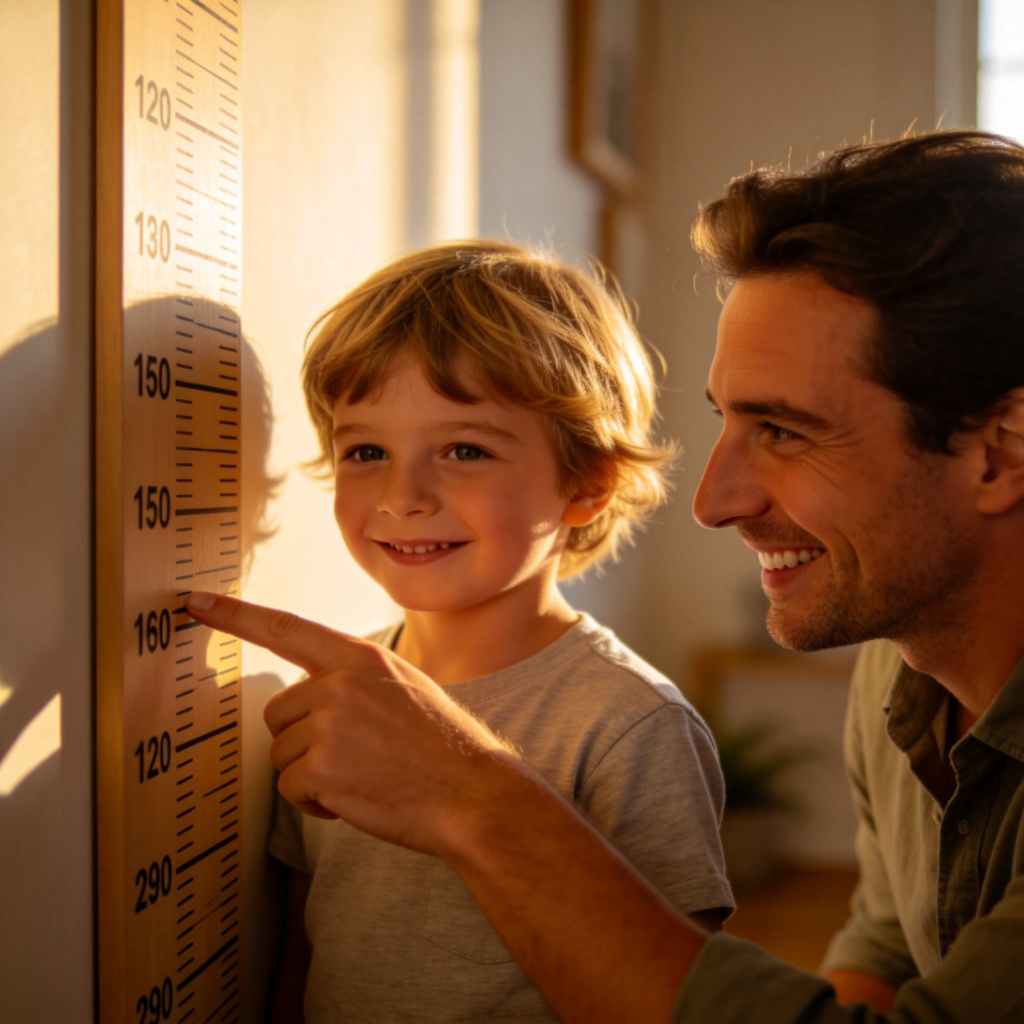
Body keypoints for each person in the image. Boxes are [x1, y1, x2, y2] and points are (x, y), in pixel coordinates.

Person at [187, 129, 1024, 1022]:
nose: (711, 502)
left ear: (1000, 453)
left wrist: (472, 797)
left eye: (784, 429)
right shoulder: (898, 677)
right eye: (364, 451)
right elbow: (892, 941)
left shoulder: (628, 724)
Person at [254, 240, 733, 1021]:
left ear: (586, 485)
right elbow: (300, 944)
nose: (403, 495)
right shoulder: (340, 698)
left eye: (464, 450)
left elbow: (673, 988)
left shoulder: (631, 724)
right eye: (366, 450)